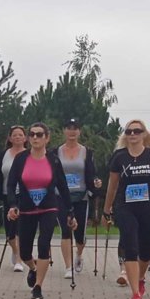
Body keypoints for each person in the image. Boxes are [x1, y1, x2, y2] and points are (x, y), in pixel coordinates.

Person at [7, 122, 77, 299]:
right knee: (24, 252)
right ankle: (33, 268)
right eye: (32, 134)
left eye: (39, 135)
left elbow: (63, 187)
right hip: (26, 208)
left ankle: (38, 287)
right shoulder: (21, 159)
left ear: (47, 138)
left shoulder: (53, 160)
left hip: (48, 207)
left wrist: (70, 211)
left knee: (44, 243)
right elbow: (11, 184)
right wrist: (12, 205)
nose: (35, 138)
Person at [102, 120, 150, 299]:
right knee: (130, 245)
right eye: (129, 131)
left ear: (144, 134)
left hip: (148, 207)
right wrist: (106, 209)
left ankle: (140, 278)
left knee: (145, 250)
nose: (132, 134)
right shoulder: (119, 157)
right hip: (125, 207)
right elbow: (112, 185)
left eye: (137, 131)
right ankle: (135, 294)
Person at [54, 118, 102, 278]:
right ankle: (68, 267)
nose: (72, 131)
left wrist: (96, 181)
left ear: (79, 131)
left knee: (79, 234)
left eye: (75, 128)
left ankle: (79, 255)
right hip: (61, 196)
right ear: (64, 131)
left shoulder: (87, 152)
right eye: (69, 128)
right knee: (65, 230)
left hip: (80, 196)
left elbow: (92, 172)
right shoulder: (55, 152)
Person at [0, 125, 27, 272]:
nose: (17, 137)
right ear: (9, 138)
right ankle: (15, 251)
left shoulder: (30, 155)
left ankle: (19, 260)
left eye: (20, 135)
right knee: (10, 231)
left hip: (25, 195)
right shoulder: (2, 155)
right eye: (14, 135)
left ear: (25, 138)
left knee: (20, 227)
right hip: (7, 195)